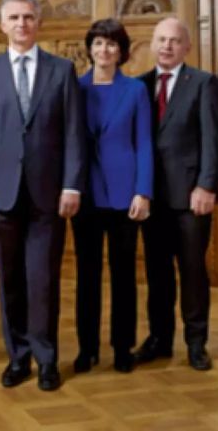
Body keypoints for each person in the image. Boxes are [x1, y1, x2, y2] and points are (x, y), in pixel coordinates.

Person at [0, 0, 86, 391]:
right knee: (10, 281)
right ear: (2, 26)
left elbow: (74, 134)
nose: (21, 24)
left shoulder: (61, 70)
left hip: (48, 195)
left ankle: (47, 358)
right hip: (0, 196)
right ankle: (18, 357)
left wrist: (72, 184)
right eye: (14, 18)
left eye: (28, 17)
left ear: (38, 23)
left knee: (43, 279)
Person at [134, 17, 218, 371]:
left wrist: (206, 185)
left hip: (191, 198)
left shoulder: (203, 83)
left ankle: (196, 343)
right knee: (157, 274)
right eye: (161, 40)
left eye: (174, 40)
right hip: (151, 198)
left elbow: (213, 140)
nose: (167, 46)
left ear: (187, 46)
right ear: (153, 45)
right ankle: (159, 339)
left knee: (192, 272)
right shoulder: (138, 86)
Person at [73, 19, 152, 375]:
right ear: (89, 48)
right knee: (86, 276)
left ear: (122, 51)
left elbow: (144, 143)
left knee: (123, 277)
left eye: (111, 44)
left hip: (124, 196)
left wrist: (143, 191)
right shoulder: (74, 88)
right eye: (98, 43)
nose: (104, 50)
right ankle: (86, 348)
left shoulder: (135, 90)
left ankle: (123, 347)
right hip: (86, 194)